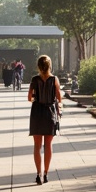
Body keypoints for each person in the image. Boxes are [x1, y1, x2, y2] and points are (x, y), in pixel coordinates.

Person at [27, 54, 62, 184]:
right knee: (48, 145)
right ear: (49, 65)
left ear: (38, 66)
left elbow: (29, 97)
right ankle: (46, 173)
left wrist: (36, 98)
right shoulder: (54, 79)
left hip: (37, 112)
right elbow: (59, 98)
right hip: (50, 113)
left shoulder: (34, 79)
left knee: (37, 145)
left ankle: (38, 174)